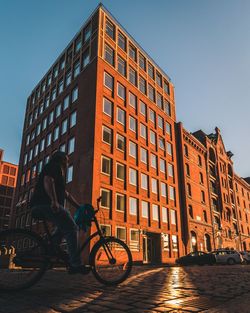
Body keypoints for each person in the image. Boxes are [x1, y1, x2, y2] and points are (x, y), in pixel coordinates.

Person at [30, 150, 87, 274]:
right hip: (44, 205)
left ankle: (51, 249)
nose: (67, 163)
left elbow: (65, 194)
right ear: (61, 160)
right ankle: (75, 264)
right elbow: (47, 180)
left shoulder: (57, 173)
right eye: (66, 160)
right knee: (72, 228)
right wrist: (54, 201)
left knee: (62, 227)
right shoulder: (54, 167)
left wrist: (79, 207)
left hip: (42, 205)